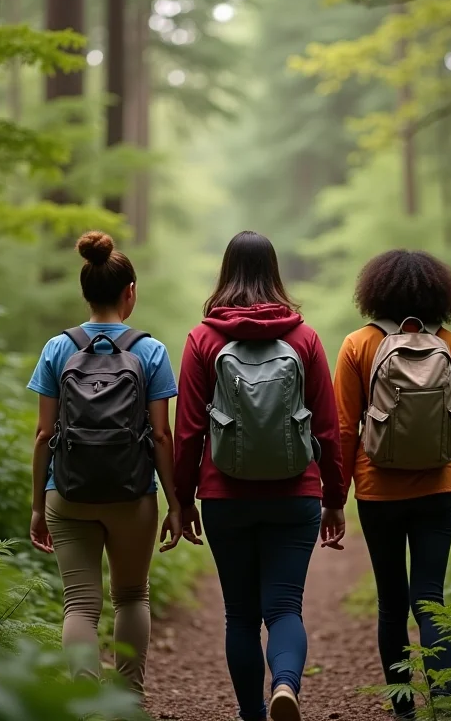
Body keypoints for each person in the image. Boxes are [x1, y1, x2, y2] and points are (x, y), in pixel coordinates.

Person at [174, 231, 346, 721]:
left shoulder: (202, 339)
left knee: (241, 615)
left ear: (225, 271)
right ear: (274, 272)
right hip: (295, 493)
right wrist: (334, 497)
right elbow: (328, 427)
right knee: (285, 607)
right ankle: (285, 685)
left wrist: (182, 501)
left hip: (224, 495)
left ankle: (252, 712)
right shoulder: (304, 338)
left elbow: (188, 430)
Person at [333, 250, 451, 720]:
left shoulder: (357, 345)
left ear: (375, 292)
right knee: (430, 599)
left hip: (377, 490)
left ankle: (403, 710)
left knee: (392, 604)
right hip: (439, 490)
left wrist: (335, 498)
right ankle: (442, 706)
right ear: (439, 294)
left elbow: (343, 429)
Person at [27, 231, 182, 703]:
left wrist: (37, 505)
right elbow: (161, 436)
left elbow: (44, 434)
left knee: (79, 603)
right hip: (132, 494)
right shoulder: (150, 351)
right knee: (132, 595)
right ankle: (129, 700)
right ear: (129, 292)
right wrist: (176, 503)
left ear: (86, 291)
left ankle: (85, 704)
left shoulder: (57, 348)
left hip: (66, 492)